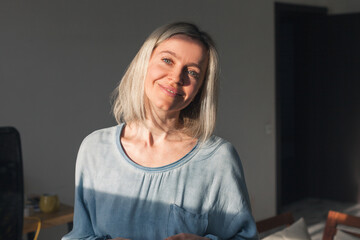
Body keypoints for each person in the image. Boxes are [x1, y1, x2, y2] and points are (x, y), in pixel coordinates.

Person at [62, 22, 258, 240]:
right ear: (144, 62)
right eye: (167, 60)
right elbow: (79, 235)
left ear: (201, 88)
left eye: (192, 72)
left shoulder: (218, 158)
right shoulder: (94, 149)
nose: (176, 77)